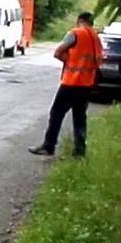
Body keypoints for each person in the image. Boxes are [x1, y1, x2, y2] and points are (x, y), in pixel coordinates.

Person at [30, 12, 104, 157]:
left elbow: (58, 52)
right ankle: (79, 152)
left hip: (71, 82)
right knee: (80, 118)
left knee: (56, 114)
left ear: (79, 21)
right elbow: (99, 59)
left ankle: (48, 146)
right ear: (91, 23)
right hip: (87, 84)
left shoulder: (75, 33)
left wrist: (69, 61)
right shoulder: (96, 38)